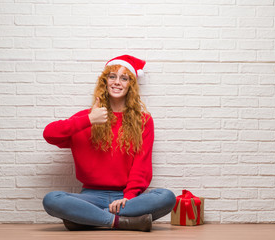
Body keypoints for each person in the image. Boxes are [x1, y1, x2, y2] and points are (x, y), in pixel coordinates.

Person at [42, 55, 176, 232]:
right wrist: (89, 119)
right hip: (90, 196)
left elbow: (141, 167)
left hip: (127, 199)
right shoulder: (88, 117)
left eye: (124, 78)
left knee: (166, 197)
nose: (117, 82)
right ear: (105, 82)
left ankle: (88, 218)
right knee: (52, 199)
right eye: (112, 76)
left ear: (131, 85)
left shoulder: (143, 121)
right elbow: (49, 134)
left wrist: (128, 197)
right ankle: (120, 222)